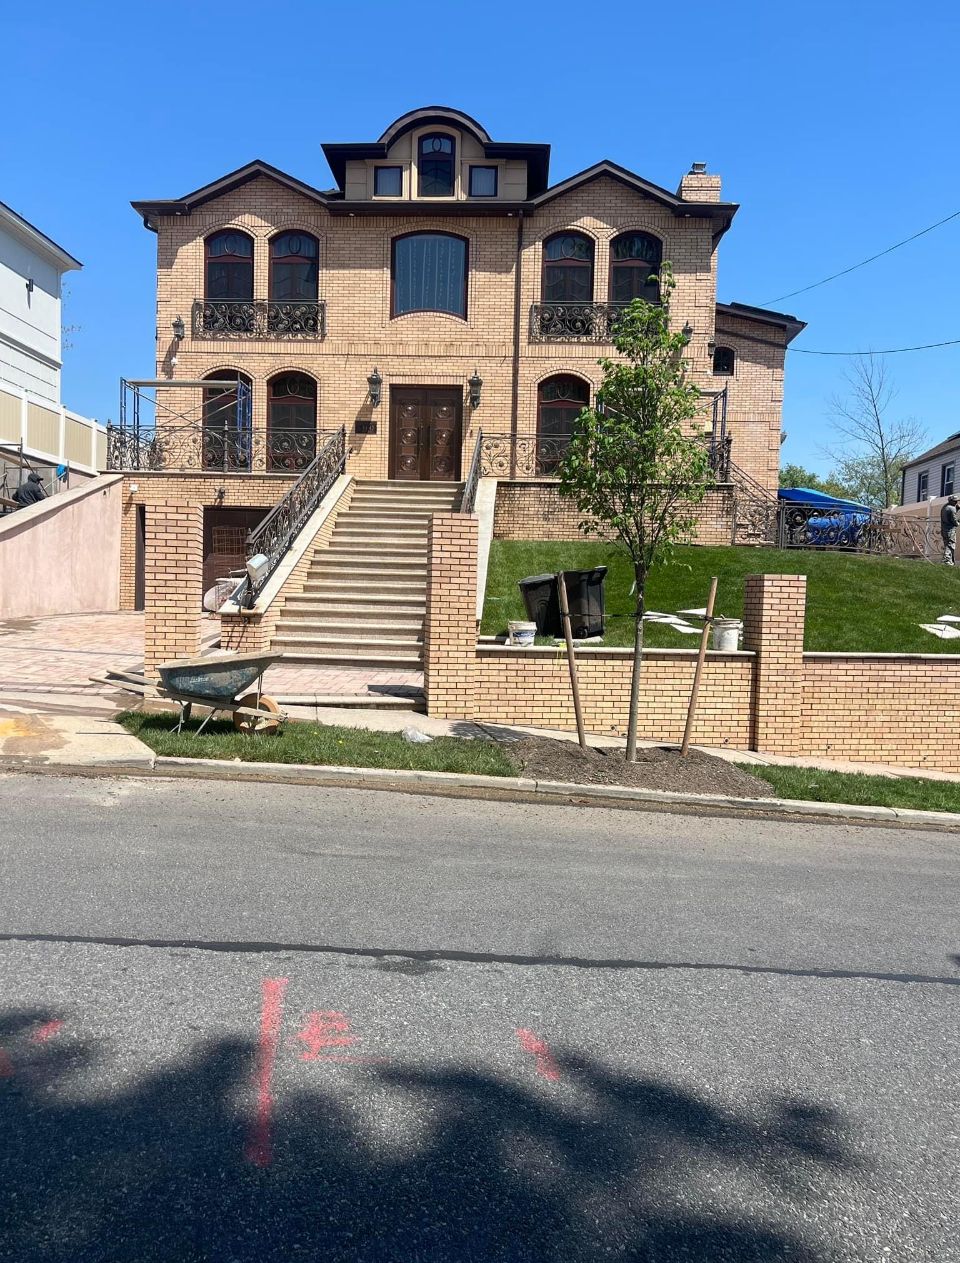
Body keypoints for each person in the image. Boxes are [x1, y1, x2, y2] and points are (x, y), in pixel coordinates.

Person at [941, 495, 959, 565]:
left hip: (944, 529)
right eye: (955, 501)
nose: (956, 502)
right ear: (951, 501)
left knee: (947, 545)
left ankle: (950, 561)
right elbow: (955, 522)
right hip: (950, 530)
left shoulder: (945, 507)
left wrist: (956, 509)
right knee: (950, 545)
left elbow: (949, 517)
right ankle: (946, 561)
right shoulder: (952, 509)